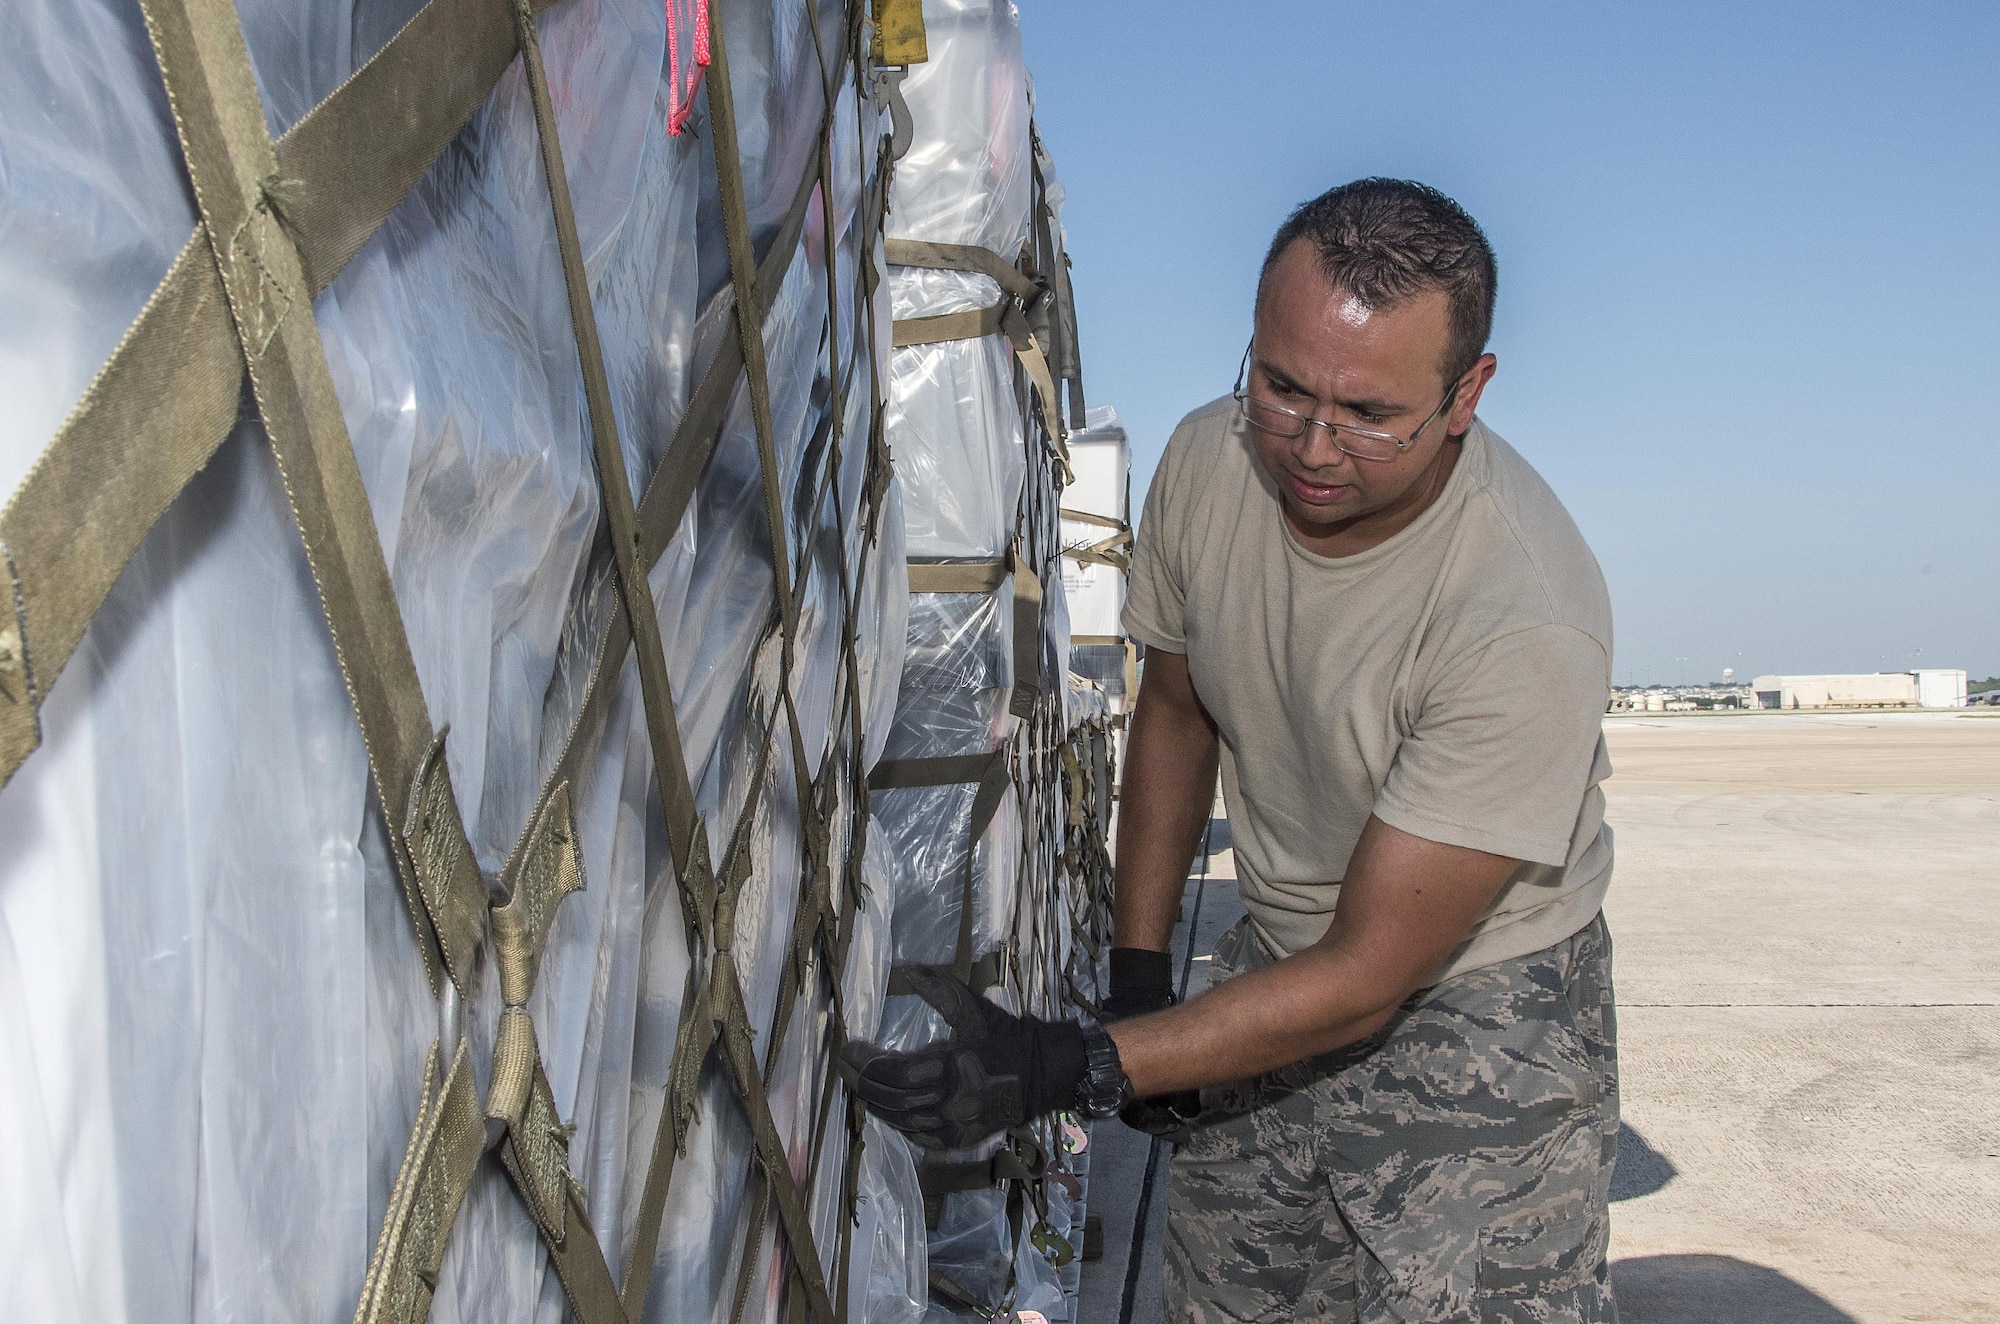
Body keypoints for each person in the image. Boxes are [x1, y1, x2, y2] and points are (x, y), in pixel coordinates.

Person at [842, 178, 1619, 1323]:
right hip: (1279, 941)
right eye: (1280, 386)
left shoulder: (1521, 615)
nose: (1309, 447)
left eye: (1367, 415)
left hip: (1475, 994)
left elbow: (1367, 974)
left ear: (1465, 396)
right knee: (1228, 1293)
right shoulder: (1212, 461)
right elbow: (1176, 706)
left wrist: (1085, 1062)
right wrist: (1138, 976)